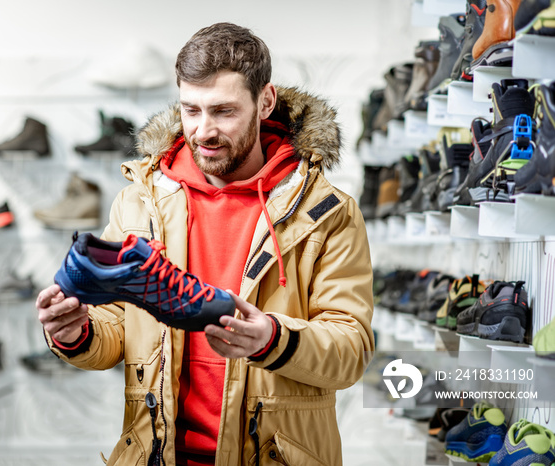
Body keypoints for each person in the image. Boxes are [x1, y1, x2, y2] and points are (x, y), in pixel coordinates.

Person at [36, 22, 374, 466]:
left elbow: (350, 350)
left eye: (223, 111)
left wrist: (270, 338)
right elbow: (118, 330)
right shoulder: (140, 201)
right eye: (191, 110)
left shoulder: (326, 212)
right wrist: (76, 333)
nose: (203, 131)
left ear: (265, 101)